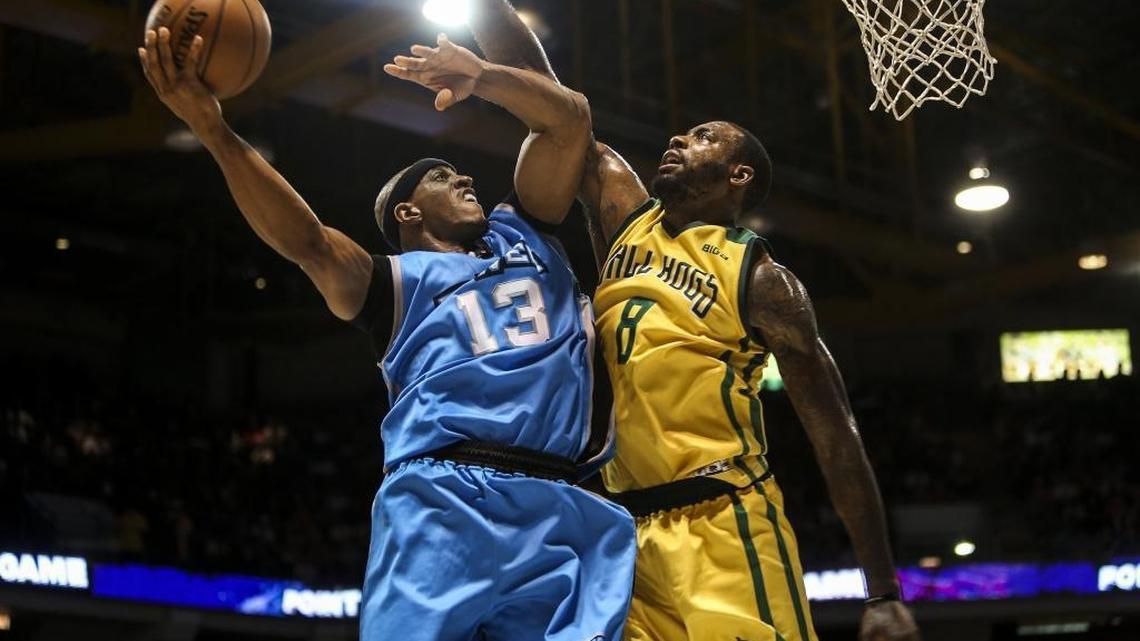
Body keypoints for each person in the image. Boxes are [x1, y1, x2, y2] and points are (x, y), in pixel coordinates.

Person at [138, 27, 634, 641]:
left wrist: (484, 78)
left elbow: (568, 123)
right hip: (447, 498)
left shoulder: (524, 229)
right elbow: (308, 243)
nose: (466, 180)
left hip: (568, 505)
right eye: (442, 177)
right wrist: (214, 130)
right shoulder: (391, 285)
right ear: (407, 212)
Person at [452, 3, 923, 640]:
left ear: (739, 175)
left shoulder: (763, 282)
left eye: (703, 137)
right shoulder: (625, 215)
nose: (677, 140)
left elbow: (835, 434)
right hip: (626, 533)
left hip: (724, 520)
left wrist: (884, 591)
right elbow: (557, 104)